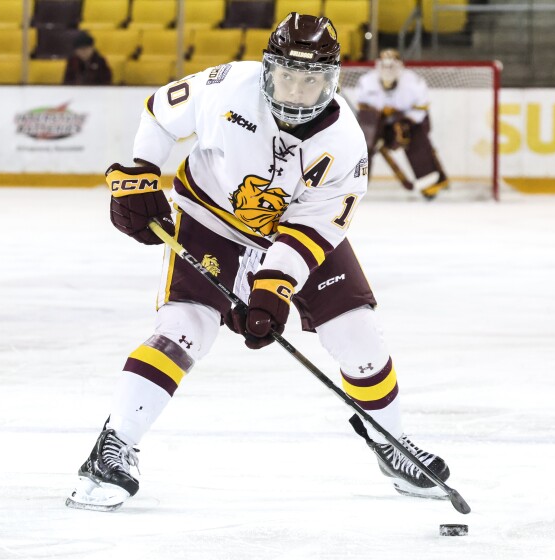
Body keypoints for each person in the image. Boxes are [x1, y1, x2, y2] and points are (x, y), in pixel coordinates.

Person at [65, 13, 451, 511]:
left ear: (331, 81)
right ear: (268, 69)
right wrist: (141, 171)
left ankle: (393, 442)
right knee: (184, 327)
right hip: (212, 220)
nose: (296, 91)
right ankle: (113, 446)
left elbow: (312, 229)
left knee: (360, 337)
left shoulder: (346, 144)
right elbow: (161, 113)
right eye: (287, 75)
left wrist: (273, 287)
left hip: (290, 234)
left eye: (311, 80)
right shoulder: (227, 87)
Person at [352, 49, 449, 200]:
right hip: (378, 123)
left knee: (418, 141)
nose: (388, 70)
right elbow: (363, 112)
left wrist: (404, 121)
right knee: (362, 145)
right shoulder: (366, 82)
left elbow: (421, 111)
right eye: (384, 65)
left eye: (392, 66)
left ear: (400, 66)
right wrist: (375, 129)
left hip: (408, 122)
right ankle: (354, 185)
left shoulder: (414, 82)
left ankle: (430, 184)